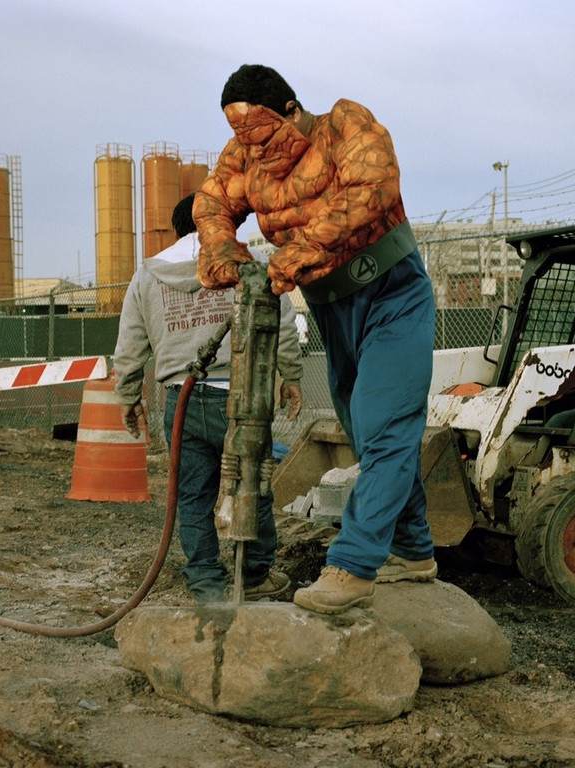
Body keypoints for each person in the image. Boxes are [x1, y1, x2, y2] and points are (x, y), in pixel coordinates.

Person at [194, 64, 437, 615]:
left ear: (290, 111)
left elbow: (375, 185)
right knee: (368, 430)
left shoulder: (343, 125)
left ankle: (353, 565)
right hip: (332, 311)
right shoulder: (243, 158)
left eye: (261, 134)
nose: (253, 149)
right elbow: (210, 202)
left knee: (383, 423)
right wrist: (219, 247)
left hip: (392, 296)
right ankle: (415, 549)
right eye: (242, 138)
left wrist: (305, 246)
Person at [114, 193, 304, 604]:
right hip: (241, 399)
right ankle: (253, 575)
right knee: (253, 484)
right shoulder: (246, 264)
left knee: (193, 494)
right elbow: (282, 321)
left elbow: (130, 344)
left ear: (176, 227)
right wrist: (291, 375)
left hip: (180, 402)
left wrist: (128, 395)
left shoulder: (148, 275)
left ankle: (205, 581)